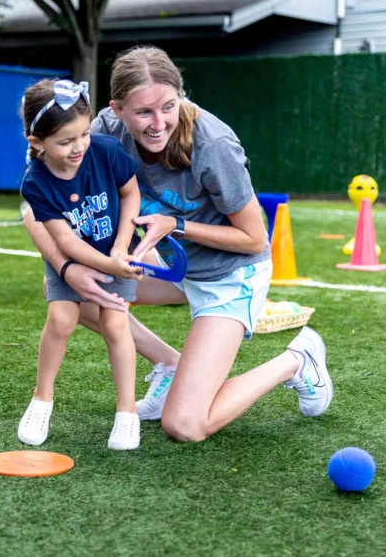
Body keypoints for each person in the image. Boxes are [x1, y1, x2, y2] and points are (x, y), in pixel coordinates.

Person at [23, 46, 332, 443]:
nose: (158, 123)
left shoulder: (214, 145)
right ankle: (169, 363)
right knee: (66, 293)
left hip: (230, 274)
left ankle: (297, 360)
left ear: (182, 95)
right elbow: (33, 212)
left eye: (169, 106)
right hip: (171, 266)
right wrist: (68, 269)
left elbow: (255, 238)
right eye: (143, 113)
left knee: (184, 425)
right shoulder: (97, 132)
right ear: (117, 110)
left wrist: (177, 224)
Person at [17, 78, 144, 450]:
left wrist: (120, 250)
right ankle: (42, 399)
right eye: (66, 141)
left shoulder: (105, 150)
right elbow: (66, 241)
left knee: (115, 324)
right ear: (36, 143)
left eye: (84, 134)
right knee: (61, 319)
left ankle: (126, 412)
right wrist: (106, 263)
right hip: (76, 258)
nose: (79, 147)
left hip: (114, 249)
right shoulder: (35, 183)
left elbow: (131, 193)